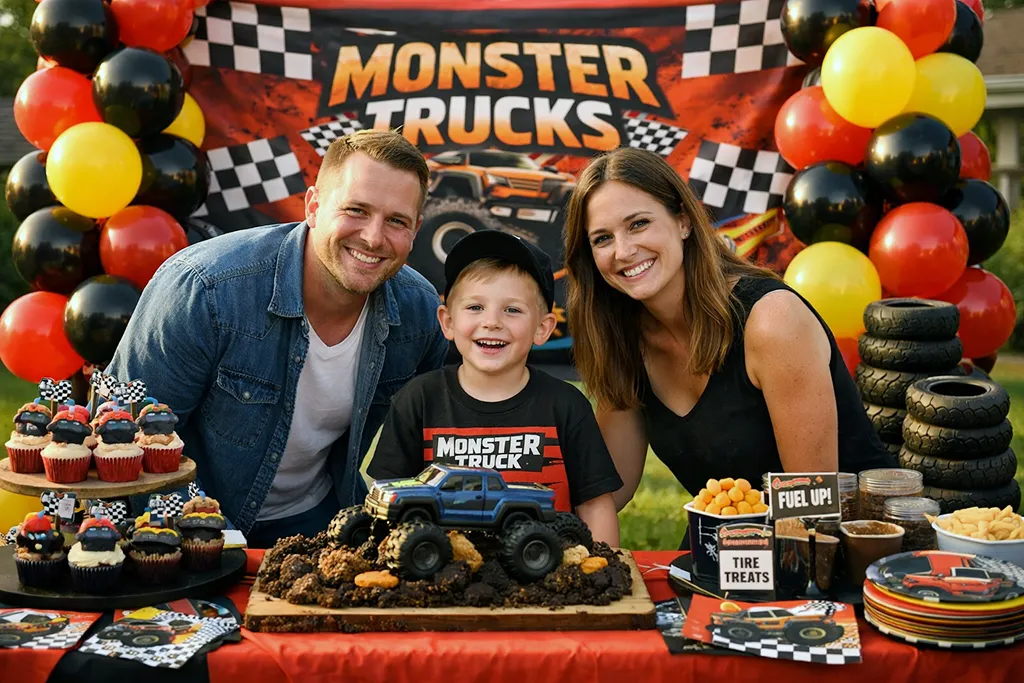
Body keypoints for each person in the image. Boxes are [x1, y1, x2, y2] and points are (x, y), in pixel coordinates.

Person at [105, 130, 450, 548]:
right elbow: (123, 438)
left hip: (320, 522)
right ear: (313, 207)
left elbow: (435, 436)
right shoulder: (204, 289)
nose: (374, 238)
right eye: (356, 210)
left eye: (396, 220)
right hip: (187, 524)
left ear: (416, 229)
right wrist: (215, 541)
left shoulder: (419, 313)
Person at [561, 147, 897, 534]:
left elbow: (810, 503)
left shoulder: (772, 320)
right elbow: (606, 490)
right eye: (602, 238)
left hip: (844, 544)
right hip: (728, 538)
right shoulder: (624, 340)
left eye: (638, 224)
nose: (623, 251)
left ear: (683, 221)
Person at [365, 230, 623, 545]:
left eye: (512, 310)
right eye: (475, 307)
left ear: (542, 328)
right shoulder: (418, 400)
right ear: (447, 322)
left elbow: (595, 506)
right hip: (439, 567)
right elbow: (388, 499)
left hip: (545, 566)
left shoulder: (567, 405)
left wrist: (607, 566)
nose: (492, 322)